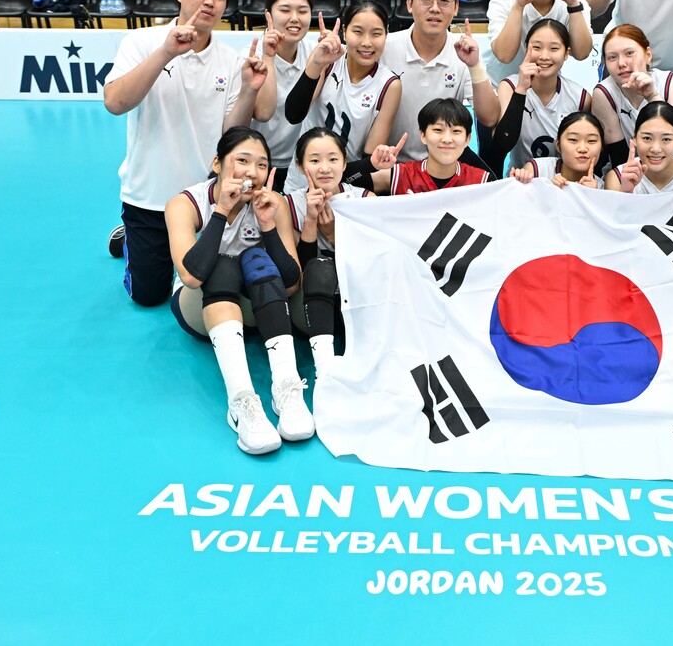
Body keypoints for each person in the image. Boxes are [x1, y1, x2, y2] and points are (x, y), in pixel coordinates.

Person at [104, 0, 269, 307]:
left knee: (210, 284)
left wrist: (249, 90)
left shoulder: (229, 60)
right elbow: (115, 103)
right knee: (149, 296)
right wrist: (166, 52)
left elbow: (231, 134)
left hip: (204, 201)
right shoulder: (141, 41)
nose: (210, 1)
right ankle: (127, 237)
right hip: (148, 197)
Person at [164, 127, 311, 455]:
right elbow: (190, 275)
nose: (252, 172)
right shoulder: (184, 204)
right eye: (242, 161)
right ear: (217, 164)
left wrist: (268, 225)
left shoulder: (274, 203)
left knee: (257, 258)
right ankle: (242, 403)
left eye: (261, 165)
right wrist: (220, 212)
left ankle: (287, 390)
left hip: (256, 309)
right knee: (222, 265)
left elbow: (291, 283)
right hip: (199, 308)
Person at [383, 0, 500, 163]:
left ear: (456, 7)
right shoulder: (385, 48)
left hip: (444, 165)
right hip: (392, 164)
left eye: (444, 1)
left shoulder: (464, 52)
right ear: (409, 3)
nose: (435, 9)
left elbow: (490, 117)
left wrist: (474, 66)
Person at [285, 127, 373, 378]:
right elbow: (299, 272)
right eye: (314, 161)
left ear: (345, 163)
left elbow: (373, 265)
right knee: (319, 267)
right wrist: (311, 221)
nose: (325, 168)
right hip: (310, 308)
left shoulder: (365, 200)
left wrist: (335, 236)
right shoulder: (289, 204)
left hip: (357, 306)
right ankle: (324, 368)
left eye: (333, 159)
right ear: (300, 166)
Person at [282, 1, 402, 179]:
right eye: (358, 32)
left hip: (348, 182)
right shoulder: (327, 59)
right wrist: (317, 63)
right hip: (302, 179)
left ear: (386, 34)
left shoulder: (390, 84)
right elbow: (293, 115)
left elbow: (369, 160)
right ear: (344, 31)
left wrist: (335, 180)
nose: (366, 43)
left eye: (376, 33)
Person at [492, 19, 591, 171]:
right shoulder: (510, 87)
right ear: (526, 48)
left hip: (564, 180)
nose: (544, 56)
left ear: (566, 53)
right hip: (520, 178)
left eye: (554, 49)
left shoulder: (580, 97)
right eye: (537, 47)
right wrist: (521, 90)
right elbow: (504, 143)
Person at [594, 23, 673, 170]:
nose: (621, 63)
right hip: (629, 170)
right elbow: (619, 156)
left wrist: (652, 96)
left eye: (629, 53)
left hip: (671, 168)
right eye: (612, 57)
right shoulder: (603, 93)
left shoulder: (669, 81)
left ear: (647, 55)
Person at [252, 0, 317, 191]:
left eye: (303, 11)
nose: (295, 18)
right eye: (285, 10)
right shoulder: (251, 57)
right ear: (268, 14)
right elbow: (263, 113)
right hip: (257, 164)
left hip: (300, 166)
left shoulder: (316, 54)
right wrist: (268, 57)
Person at [367, 98, 492, 194]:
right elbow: (354, 181)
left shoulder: (483, 182)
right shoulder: (401, 175)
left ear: (467, 139)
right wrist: (370, 164)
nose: (447, 139)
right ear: (423, 135)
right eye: (438, 130)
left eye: (456, 131)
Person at [605, 102, 673, 194]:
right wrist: (626, 192)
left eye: (666, 139)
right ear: (635, 137)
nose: (656, 149)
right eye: (647, 138)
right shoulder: (618, 178)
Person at [509, 111, 605, 188]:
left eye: (591, 140)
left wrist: (592, 196)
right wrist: (519, 183)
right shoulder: (536, 170)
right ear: (558, 145)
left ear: (601, 147)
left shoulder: (600, 187)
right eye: (573, 139)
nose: (582, 149)